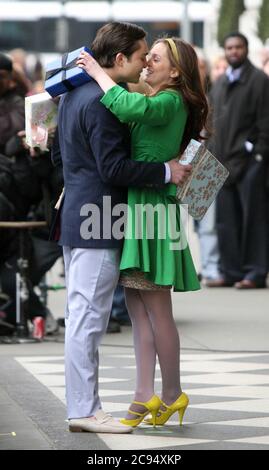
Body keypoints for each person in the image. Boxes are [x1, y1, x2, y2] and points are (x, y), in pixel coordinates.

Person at [54, 22, 192, 434]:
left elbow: (57, 156)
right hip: (100, 218)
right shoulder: (103, 101)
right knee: (88, 317)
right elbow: (114, 167)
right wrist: (167, 170)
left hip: (81, 213)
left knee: (97, 313)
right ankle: (86, 408)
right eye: (142, 55)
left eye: (155, 56)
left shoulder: (77, 94)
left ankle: (139, 396)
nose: (146, 61)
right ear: (120, 59)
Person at [208, 32, 269, 289]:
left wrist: (258, 154)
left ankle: (254, 273)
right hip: (221, 163)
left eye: (238, 47)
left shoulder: (259, 81)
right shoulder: (219, 84)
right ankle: (230, 271)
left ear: (245, 49)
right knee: (225, 221)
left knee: (253, 219)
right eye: (230, 47)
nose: (234, 51)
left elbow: (265, 122)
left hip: (250, 163)